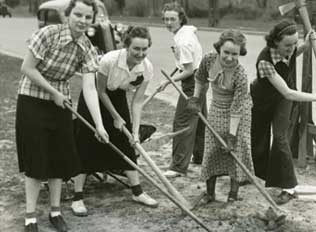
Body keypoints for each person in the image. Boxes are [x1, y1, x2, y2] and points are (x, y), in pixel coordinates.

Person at [16, 0, 109, 231]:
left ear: (92, 20)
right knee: (36, 160)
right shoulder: (48, 34)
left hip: (60, 105)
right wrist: (54, 92)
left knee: (58, 158)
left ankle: (55, 212)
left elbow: (89, 88)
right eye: (78, 15)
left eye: (88, 17)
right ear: (68, 15)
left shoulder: (87, 47)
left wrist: (99, 125)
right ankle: (30, 217)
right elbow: (27, 68)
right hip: (32, 99)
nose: (83, 21)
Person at [71, 26, 158, 217]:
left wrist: (134, 132)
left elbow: (137, 102)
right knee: (86, 143)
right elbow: (100, 90)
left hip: (118, 97)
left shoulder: (147, 68)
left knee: (126, 143)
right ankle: (77, 197)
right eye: (136, 49)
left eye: (144, 49)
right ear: (127, 46)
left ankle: (137, 192)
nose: (140, 53)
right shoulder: (109, 60)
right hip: (93, 97)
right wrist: (115, 117)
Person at [250, 19, 316, 204]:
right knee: (258, 137)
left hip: (281, 99)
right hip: (262, 100)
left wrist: (307, 42)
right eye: (287, 45)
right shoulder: (264, 61)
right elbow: (288, 93)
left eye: (294, 43)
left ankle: (287, 186)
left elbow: (298, 51)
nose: (291, 48)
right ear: (275, 42)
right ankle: (257, 175)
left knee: (280, 138)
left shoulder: (290, 49)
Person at [189, 30, 254, 203]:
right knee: (212, 149)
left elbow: (237, 108)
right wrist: (196, 98)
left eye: (235, 54)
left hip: (239, 112)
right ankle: (210, 194)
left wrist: (232, 136)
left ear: (240, 53)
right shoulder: (210, 60)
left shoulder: (240, 75)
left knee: (236, 151)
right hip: (217, 107)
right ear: (219, 49)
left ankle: (233, 195)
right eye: (226, 52)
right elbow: (200, 78)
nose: (230, 58)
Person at [158, 2, 207, 178]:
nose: (168, 22)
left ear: (180, 19)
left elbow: (188, 70)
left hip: (193, 83)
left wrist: (167, 82)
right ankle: (201, 156)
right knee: (200, 120)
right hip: (201, 79)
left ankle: (178, 167)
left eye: (172, 19)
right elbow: (186, 64)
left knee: (183, 122)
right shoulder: (185, 32)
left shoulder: (183, 41)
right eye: (166, 19)